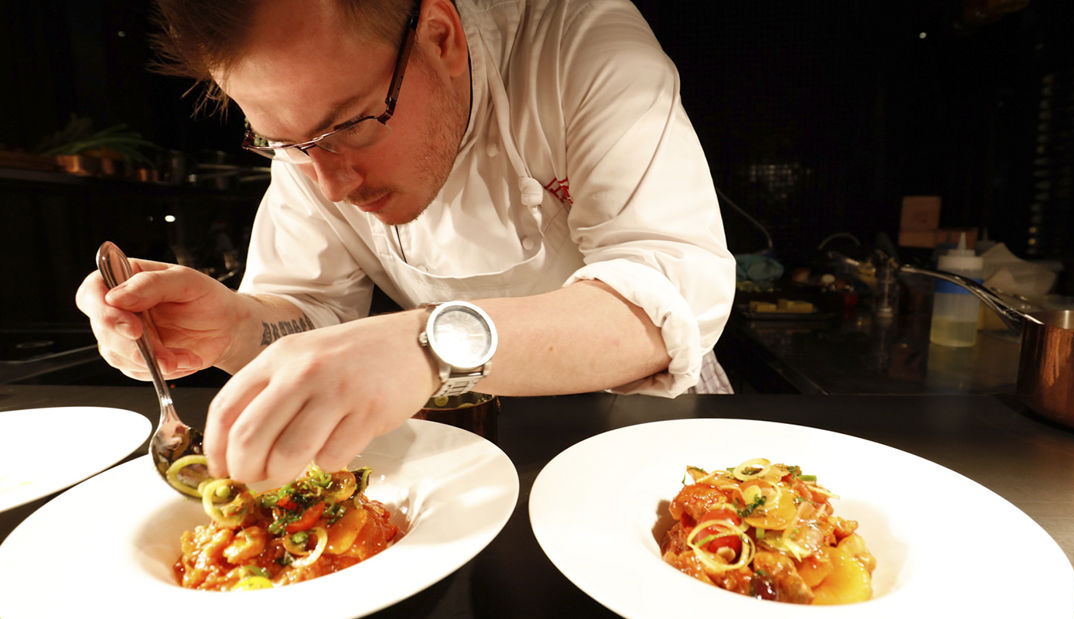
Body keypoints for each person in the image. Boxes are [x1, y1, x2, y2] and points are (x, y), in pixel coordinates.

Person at [76, 0, 736, 485]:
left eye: (351, 126)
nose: (329, 184)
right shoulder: (312, 135)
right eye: (286, 145)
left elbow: (670, 301)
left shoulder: (583, 44)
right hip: (461, 436)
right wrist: (230, 327)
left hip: (650, 415)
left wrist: (425, 343)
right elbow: (311, 312)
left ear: (442, 37)